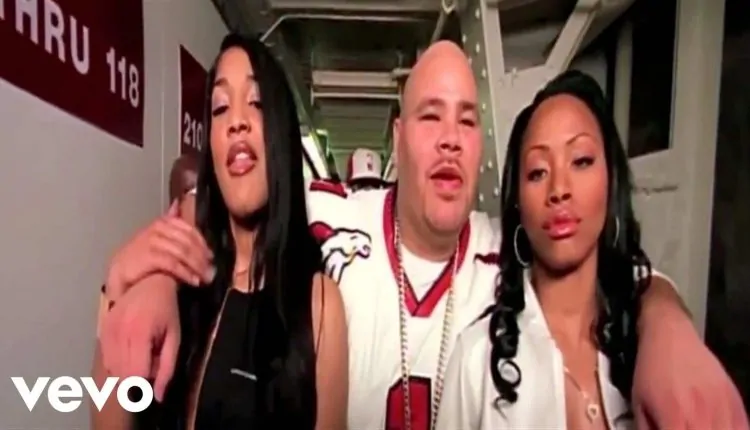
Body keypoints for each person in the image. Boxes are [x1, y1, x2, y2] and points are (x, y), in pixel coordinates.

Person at [98, 40, 745, 429]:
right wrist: (155, 280)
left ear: (481, 146)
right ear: (399, 136)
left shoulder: (511, 250)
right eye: (430, 116)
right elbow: (233, 199)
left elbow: (613, 268)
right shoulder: (337, 217)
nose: (449, 140)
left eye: (466, 121)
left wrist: (668, 329)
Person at [436, 71, 749, 429]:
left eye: (581, 160)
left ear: (611, 180)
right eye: (537, 172)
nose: (559, 189)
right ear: (518, 202)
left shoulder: (655, 342)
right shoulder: (474, 362)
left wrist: (667, 320)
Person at [92, 33, 348, 429]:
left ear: (281, 132)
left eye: (257, 103)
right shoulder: (170, 274)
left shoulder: (320, 305)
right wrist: (117, 292)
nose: (237, 122)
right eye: (220, 107)